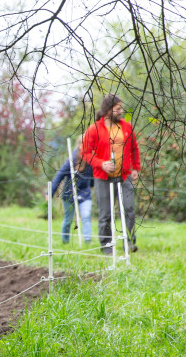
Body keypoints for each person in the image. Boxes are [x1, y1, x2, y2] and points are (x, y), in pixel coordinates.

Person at [80, 94, 140, 254]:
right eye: (117, 109)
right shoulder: (94, 129)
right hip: (103, 178)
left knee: (129, 209)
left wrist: (135, 168)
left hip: (125, 175)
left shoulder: (126, 127)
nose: (121, 111)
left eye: (121, 108)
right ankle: (106, 246)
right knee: (105, 214)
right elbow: (85, 153)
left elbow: (134, 148)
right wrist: (101, 163)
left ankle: (129, 242)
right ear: (108, 111)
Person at [48, 150, 93, 244]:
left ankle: (87, 241)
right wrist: (50, 192)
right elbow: (59, 175)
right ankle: (65, 241)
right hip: (69, 193)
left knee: (86, 216)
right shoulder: (71, 161)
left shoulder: (91, 160)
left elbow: (94, 178)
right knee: (68, 220)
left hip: (85, 194)